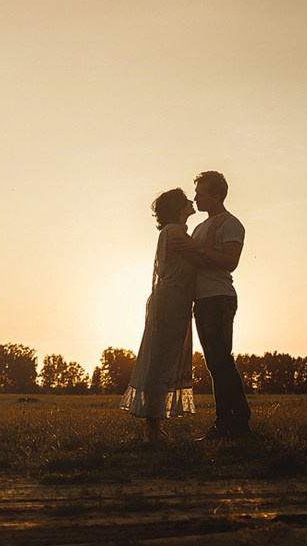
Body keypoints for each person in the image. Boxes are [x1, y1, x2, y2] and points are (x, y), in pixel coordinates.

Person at [120, 188, 198, 444]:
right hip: (172, 301)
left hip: (175, 300)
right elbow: (201, 257)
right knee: (161, 359)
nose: (192, 202)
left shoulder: (175, 232)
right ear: (178, 208)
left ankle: (154, 427)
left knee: (165, 358)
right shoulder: (175, 232)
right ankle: (151, 429)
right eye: (186, 200)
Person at [179, 170, 252, 439]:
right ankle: (224, 424)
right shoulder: (199, 228)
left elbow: (230, 261)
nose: (195, 198)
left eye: (200, 193)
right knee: (213, 364)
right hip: (202, 300)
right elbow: (200, 261)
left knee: (222, 360)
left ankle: (240, 423)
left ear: (216, 196)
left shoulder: (231, 224)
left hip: (220, 298)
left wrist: (198, 251)